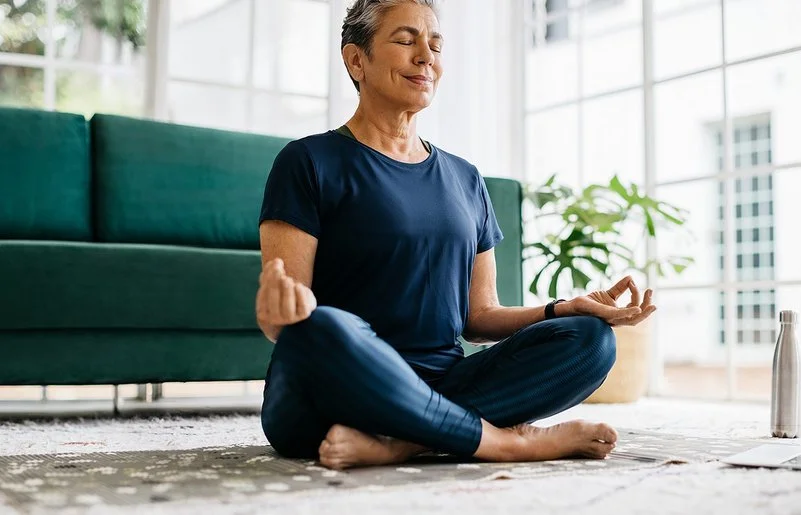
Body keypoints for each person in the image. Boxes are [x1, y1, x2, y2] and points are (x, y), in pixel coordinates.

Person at [255, 0, 656, 471]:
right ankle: (507, 445)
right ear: (356, 60)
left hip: (443, 384)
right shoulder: (307, 162)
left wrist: (564, 309)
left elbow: (478, 317)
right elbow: (289, 320)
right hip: (332, 391)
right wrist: (278, 312)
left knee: (591, 340)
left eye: (435, 44)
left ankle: (404, 442)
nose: (426, 56)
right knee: (325, 325)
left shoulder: (466, 179)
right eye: (406, 41)